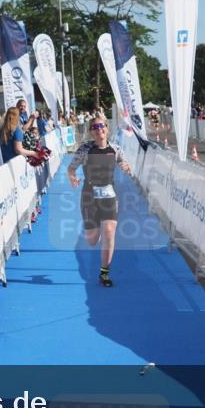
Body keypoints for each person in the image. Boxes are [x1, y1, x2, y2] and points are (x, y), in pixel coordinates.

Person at [67, 116, 132, 288]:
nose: (99, 129)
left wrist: (126, 168)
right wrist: (73, 178)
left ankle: (104, 273)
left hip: (109, 195)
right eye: (95, 127)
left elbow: (124, 163)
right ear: (91, 131)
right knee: (92, 240)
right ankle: (97, 230)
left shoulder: (116, 149)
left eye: (102, 125)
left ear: (107, 129)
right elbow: (71, 168)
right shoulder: (85, 149)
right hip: (89, 197)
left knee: (110, 231)